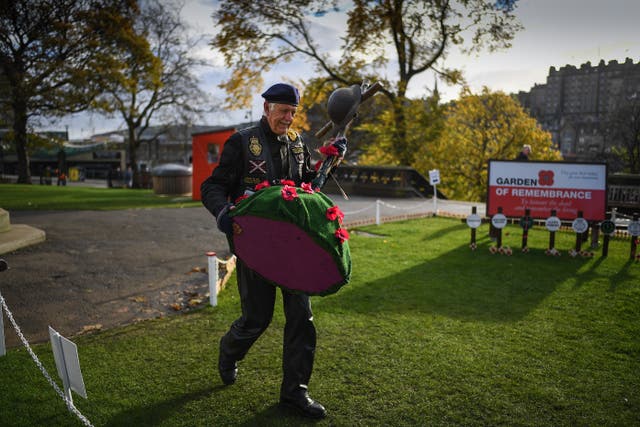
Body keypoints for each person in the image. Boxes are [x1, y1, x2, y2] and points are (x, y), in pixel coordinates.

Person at [201, 83, 346, 419]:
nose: (289, 117)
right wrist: (224, 214)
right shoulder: (241, 142)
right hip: (256, 245)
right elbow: (214, 186)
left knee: (301, 318)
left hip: (294, 246)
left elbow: (310, 183)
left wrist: (330, 160)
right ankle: (229, 352)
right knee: (257, 318)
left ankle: (295, 394)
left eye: (293, 112)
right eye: (283, 110)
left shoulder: (297, 143)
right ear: (266, 108)